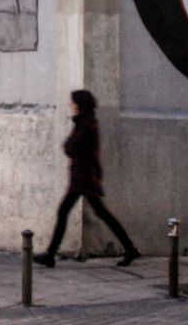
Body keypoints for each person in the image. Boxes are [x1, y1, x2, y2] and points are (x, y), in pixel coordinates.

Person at [34, 89, 140, 267]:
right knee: (100, 214)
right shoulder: (84, 122)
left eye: (73, 102)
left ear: (80, 105)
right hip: (83, 177)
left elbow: (70, 147)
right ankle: (130, 249)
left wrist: (72, 136)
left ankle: (50, 255)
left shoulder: (87, 124)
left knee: (67, 212)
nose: (71, 105)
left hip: (84, 178)